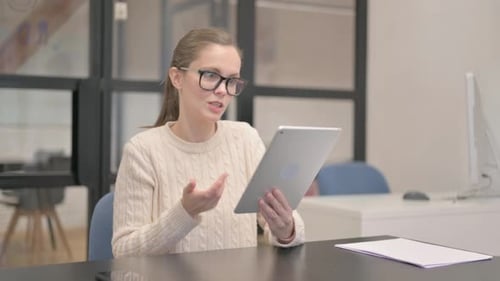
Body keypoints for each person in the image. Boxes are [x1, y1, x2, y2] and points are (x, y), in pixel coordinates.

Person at [112, 27, 305, 257]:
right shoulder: (142, 151)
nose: (223, 90)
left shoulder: (245, 138)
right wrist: (184, 212)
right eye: (211, 76)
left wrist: (287, 229)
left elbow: (289, 227)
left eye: (232, 81)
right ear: (177, 77)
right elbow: (124, 253)